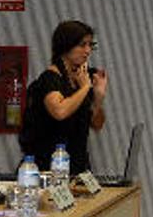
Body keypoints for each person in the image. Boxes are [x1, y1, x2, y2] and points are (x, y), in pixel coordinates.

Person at [19, 20, 108, 173]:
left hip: (78, 165)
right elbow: (59, 111)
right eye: (82, 45)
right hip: (48, 167)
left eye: (90, 45)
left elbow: (96, 124)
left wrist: (98, 97)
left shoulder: (84, 77)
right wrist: (86, 87)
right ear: (65, 46)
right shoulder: (50, 79)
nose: (87, 51)